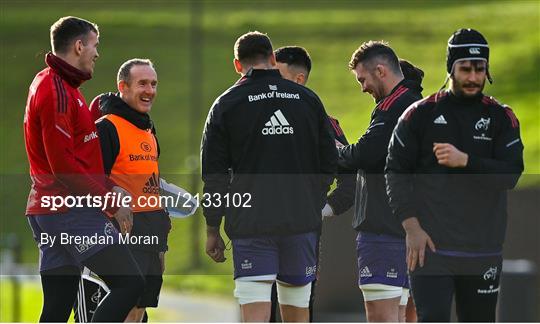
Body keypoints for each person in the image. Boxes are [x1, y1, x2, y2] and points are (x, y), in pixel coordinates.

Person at [386, 28, 524, 322]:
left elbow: (511, 174)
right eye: (465, 68)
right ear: (451, 68)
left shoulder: (501, 116)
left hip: (482, 249)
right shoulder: (418, 114)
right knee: (432, 317)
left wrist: (466, 161)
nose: (473, 77)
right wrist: (411, 228)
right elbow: (395, 173)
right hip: (431, 248)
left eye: (480, 69)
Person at [201, 31, 337, 322]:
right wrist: (311, 199)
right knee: (297, 310)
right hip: (300, 221)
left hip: (251, 224)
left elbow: (215, 176)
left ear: (237, 65)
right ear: (273, 59)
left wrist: (213, 227)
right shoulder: (307, 99)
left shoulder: (226, 104)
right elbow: (329, 161)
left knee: (255, 313)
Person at [23, 16, 144, 322]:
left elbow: (75, 153)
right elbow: (63, 167)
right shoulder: (56, 90)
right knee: (130, 283)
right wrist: (110, 201)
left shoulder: (58, 84)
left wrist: (107, 184)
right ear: (79, 46)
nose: (97, 53)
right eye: (94, 45)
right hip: (69, 212)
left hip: (51, 211)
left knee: (57, 308)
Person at [338, 41, 423, 322]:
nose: (362, 87)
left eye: (363, 79)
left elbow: (366, 153)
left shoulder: (394, 108)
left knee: (382, 318)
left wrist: (334, 149)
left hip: (384, 230)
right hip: (413, 229)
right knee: (405, 316)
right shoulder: (417, 103)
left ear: (381, 70)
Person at [272, 45, 356, 322]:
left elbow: (350, 181)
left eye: (276, 75)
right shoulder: (252, 120)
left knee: (299, 309)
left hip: (303, 238)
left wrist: (323, 211)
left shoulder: (325, 124)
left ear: (299, 80)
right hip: (256, 235)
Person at [89, 59, 170, 322]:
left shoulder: (148, 127)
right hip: (122, 232)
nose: (150, 90)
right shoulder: (106, 127)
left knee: (140, 308)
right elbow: (92, 181)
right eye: (142, 83)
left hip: (153, 229)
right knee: (125, 306)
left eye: (154, 84)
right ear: (122, 86)